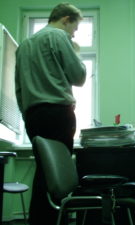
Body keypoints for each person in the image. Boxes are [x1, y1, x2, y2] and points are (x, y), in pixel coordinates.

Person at [15, 3, 86, 225]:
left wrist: (28, 115)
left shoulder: (24, 46)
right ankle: (58, 221)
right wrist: (76, 52)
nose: (72, 34)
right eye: (73, 29)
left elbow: (19, 90)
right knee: (59, 178)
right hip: (58, 114)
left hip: (33, 115)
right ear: (66, 19)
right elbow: (79, 77)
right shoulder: (58, 36)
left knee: (44, 174)